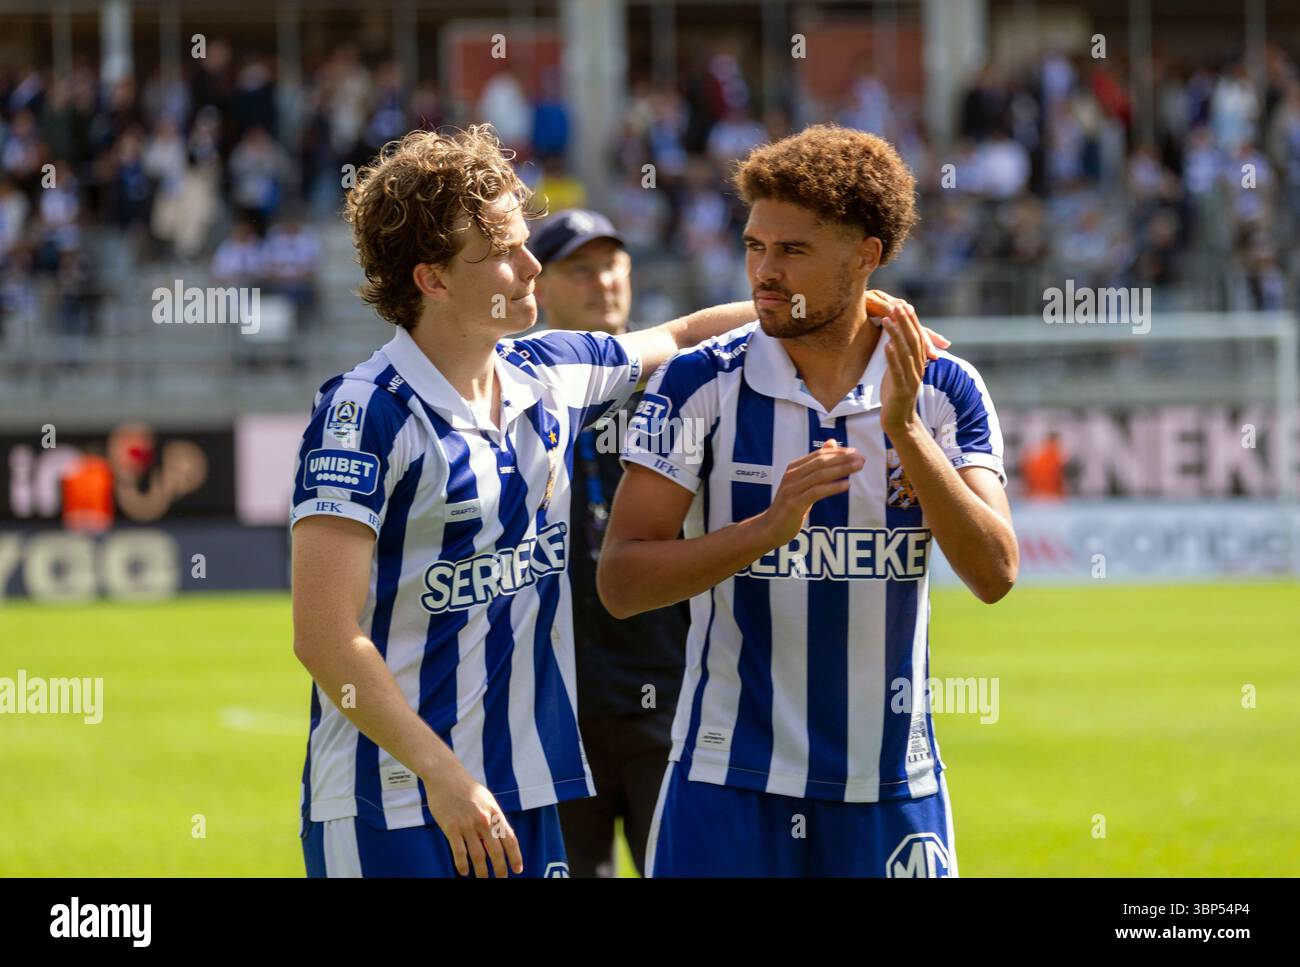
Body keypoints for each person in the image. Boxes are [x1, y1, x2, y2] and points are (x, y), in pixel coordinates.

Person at [288, 125, 768, 878]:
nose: (532, 265)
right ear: (433, 280)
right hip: (395, 803)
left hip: (527, 794)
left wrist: (846, 311)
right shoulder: (363, 414)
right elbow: (323, 635)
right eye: (504, 251)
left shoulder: (550, 370)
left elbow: (682, 335)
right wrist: (441, 774)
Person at [597, 124, 1019, 877]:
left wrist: (907, 435)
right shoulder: (700, 385)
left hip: (889, 783)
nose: (765, 271)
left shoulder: (946, 389)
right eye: (755, 246)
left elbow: (995, 572)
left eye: (792, 251)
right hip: (728, 782)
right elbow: (622, 581)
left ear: (867, 255)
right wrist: (766, 528)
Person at [529, 209, 690, 876]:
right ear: (538, 288)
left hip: (674, 700)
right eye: (581, 269)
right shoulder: (515, 393)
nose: (604, 282)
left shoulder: (683, 387)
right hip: (553, 714)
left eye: (614, 264)